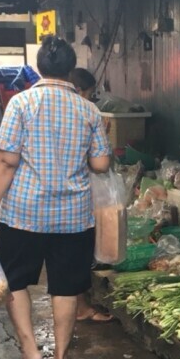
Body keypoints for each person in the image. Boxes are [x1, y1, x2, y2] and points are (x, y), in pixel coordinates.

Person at [0, 36, 112, 359]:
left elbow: (6, 161)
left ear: (39, 67)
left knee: (16, 281)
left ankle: (30, 354)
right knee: (65, 287)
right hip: (73, 216)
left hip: (24, 212)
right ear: (70, 69)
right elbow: (100, 164)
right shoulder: (89, 110)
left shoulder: (21, 103)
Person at [66, 66, 114, 323]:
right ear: (79, 90)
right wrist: (101, 137)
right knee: (76, 256)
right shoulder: (84, 112)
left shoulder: (37, 108)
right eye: (90, 93)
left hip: (42, 202)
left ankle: (76, 306)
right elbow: (100, 164)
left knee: (62, 260)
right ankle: (81, 308)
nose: (90, 98)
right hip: (74, 198)